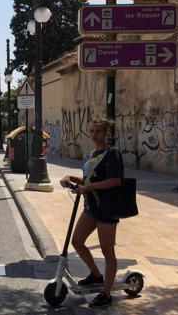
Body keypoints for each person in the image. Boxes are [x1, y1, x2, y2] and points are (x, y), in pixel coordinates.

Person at [59, 119, 124, 308]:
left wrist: (88, 187)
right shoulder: (91, 154)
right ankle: (96, 275)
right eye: (91, 131)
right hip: (91, 207)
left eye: (98, 131)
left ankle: (106, 293)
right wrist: (70, 178)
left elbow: (116, 180)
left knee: (107, 251)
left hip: (107, 208)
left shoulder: (112, 154)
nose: (94, 135)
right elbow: (87, 179)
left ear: (105, 134)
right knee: (77, 241)